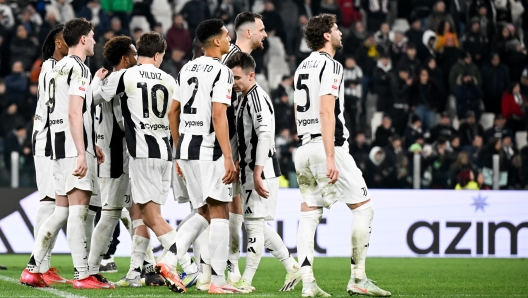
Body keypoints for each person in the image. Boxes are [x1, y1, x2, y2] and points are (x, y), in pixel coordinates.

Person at [293, 14, 390, 297]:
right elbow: (326, 110)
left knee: (309, 214)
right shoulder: (332, 65)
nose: (340, 33)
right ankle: (358, 278)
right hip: (328, 147)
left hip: (304, 149)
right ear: (326, 35)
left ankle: (308, 283)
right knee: (364, 209)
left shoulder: (301, 66)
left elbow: (303, 111)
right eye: (336, 29)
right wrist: (331, 156)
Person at [21, 18, 109, 289]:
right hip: (71, 148)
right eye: (92, 36)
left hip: (56, 144)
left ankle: (33, 268)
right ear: (82, 39)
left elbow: (64, 111)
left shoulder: (57, 66)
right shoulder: (79, 68)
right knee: (78, 210)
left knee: (60, 210)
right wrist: (82, 152)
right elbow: (74, 111)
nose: (95, 40)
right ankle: (83, 275)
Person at [168, 19, 243, 294]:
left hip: (186, 149)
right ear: (215, 41)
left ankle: (168, 259)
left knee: (203, 212)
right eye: (225, 35)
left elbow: (172, 112)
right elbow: (218, 114)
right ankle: (218, 282)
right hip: (209, 150)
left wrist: (178, 151)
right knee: (219, 212)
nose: (228, 38)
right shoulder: (221, 72)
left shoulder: (185, 69)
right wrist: (227, 156)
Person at [225, 51, 301, 292]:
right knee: (256, 224)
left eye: (237, 78)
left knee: (254, 226)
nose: (234, 83)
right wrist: (237, 161)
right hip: (250, 168)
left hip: (261, 169)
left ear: (251, 75)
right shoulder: (244, 98)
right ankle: (291, 266)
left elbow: (266, 135)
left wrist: (257, 173)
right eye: (232, 78)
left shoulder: (257, 98)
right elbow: (243, 136)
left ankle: (246, 280)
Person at [120, 31, 186, 293]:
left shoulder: (128, 75)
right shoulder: (170, 80)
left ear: (139, 53)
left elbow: (103, 96)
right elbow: (175, 116)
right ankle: (136, 272)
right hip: (165, 154)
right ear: (158, 55)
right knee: (141, 213)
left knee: (150, 216)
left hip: (142, 153)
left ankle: (187, 265)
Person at [219, 12, 270, 284]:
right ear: (248, 32)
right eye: (261, 29)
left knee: (243, 212)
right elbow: (221, 109)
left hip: (236, 149)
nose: (265, 34)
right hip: (223, 146)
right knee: (220, 208)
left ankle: (229, 267)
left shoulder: (241, 61)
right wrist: (229, 152)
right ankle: (211, 267)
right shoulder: (231, 59)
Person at [24, 24, 69, 286]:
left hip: (54, 138)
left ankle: (44, 263)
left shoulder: (53, 67)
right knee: (48, 199)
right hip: (46, 139)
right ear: (57, 43)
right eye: (67, 39)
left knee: (54, 201)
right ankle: (37, 264)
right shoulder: (54, 67)